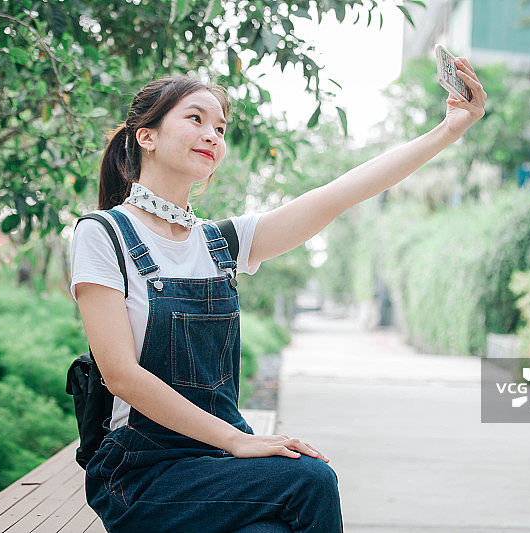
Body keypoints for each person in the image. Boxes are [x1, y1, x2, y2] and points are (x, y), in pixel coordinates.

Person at [70, 60, 486, 532]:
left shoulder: (219, 243)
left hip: (217, 464)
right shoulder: (103, 235)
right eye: (196, 119)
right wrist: (237, 441)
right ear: (146, 136)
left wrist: (450, 129)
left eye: (220, 128)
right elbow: (121, 376)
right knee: (309, 480)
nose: (212, 135)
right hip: (141, 474)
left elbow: (341, 193)